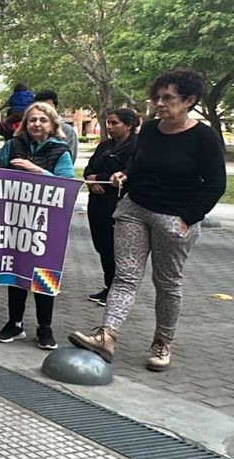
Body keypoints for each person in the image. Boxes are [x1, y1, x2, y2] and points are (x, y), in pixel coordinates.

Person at [70, 69, 226, 371]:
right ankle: (107, 335)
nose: (160, 104)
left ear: (189, 100)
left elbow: (215, 185)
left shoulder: (204, 137)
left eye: (168, 98)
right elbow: (139, 165)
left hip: (175, 218)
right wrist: (125, 175)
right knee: (125, 276)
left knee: (167, 283)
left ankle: (162, 341)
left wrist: (188, 219)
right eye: (157, 97)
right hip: (134, 209)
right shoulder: (151, 130)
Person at [0, 102, 76, 350]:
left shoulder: (61, 152)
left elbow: (67, 186)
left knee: (43, 273)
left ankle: (44, 328)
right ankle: (14, 323)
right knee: (16, 271)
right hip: (15, 219)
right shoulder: (13, 145)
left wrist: (35, 170)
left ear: (52, 125)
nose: (36, 124)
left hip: (46, 224)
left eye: (42, 120)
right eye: (32, 120)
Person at [82, 109, 140, 306]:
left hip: (117, 202)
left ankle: (118, 289)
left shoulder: (136, 146)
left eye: (114, 123)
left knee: (116, 248)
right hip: (96, 201)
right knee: (102, 246)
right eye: (108, 122)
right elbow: (89, 169)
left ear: (128, 125)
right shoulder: (105, 145)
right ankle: (108, 285)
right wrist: (91, 180)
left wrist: (98, 178)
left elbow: (127, 174)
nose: (109, 127)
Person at [33, 89, 78, 161]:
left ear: (56, 108)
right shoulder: (31, 128)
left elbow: (69, 160)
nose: (44, 111)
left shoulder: (66, 130)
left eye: (48, 107)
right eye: (40, 107)